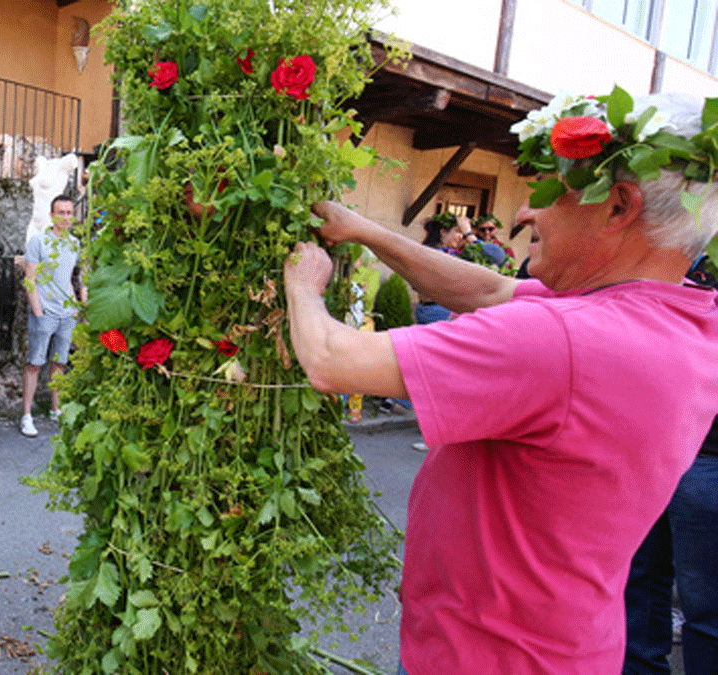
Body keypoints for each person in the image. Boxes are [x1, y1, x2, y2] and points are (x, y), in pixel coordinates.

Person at [284, 92, 718, 675]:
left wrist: (303, 283)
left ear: (618, 207)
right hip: (567, 647)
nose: (524, 214)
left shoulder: (563, 339)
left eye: (552, 193)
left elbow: (332, 360)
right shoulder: (681, 314)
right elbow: (488, 290)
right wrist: (368, 232)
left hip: (487, 656)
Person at [623, 254, 718, 675]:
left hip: (702, 457)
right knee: (641, 581)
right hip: (663, 448)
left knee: (702, 606)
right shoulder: (692, 257)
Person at [20, 194, 84, 437]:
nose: (65, 217)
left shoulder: (74, 244)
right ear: (52, 215)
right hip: (45, 312)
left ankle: (56, 409)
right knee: (35, 363)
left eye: (69, 213)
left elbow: (69, 278)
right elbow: (30, 279)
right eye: (61, 212)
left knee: (60, 363)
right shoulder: (39, 241)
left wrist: (75, 305)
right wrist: (38, 310)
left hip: (66, 313)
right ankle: (26, 414)